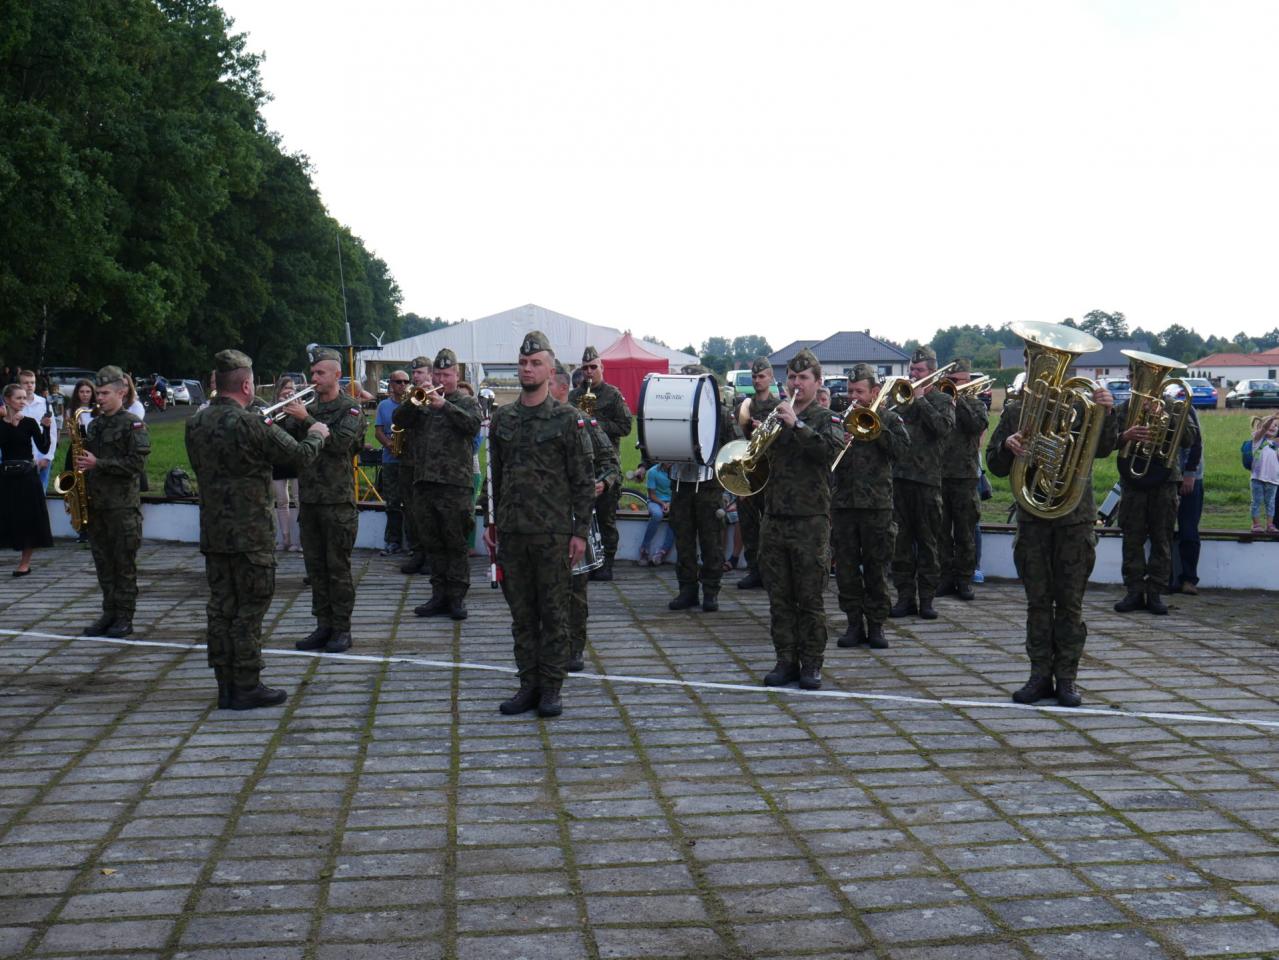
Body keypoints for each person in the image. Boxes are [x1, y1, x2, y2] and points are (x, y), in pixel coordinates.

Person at [186, 349, 329, 709]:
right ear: (248, 385)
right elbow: (299, 456)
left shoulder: (196, 423)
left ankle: (225, 684)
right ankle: (247, 684)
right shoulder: (251, 423)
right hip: (250, 533)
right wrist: (316, 432)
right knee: (250, 609)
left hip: (214, 532)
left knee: (221, 608)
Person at [986, 369, 1118, 707]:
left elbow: (1105, 448)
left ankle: (1067, 678)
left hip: (1074, 518)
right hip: (1033, 518)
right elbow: (995, 465)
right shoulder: (1016, 410)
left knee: (1071, 604)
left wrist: (1107, 411)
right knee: (1038, 603)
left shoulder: (1084, 406)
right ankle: (1039, 675)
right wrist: (1008, 446)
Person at [486, 330, 594, 718]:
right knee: (522, 616)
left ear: (551, 370)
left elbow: (583, 481)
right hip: (513, 533)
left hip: (552, 535)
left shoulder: (567, 419)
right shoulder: (503, 419)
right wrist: (490, 522)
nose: (527, 369)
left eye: (535, 363)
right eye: (523, 363)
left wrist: (579, 532)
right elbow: (495, 476)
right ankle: (527, 685)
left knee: (554, 614)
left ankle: (551, 688)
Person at [758, 348, 843, 689]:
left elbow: (829, 453)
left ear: (817, 382)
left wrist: (797, 425)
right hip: (775, 516)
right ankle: (785, 660)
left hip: (810, 520)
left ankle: (811, 662)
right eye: (792, 377)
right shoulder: (776, 417)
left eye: (803, 378)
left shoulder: (827, 418)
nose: (796, 383)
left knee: (809, 597)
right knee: (779, 597)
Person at [281, 348, 367, 653]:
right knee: (315, 569)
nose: (314, 378)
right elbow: (288, 442)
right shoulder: (308, 406)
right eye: (313, 373)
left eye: (320, 373)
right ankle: (323, 625)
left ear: (336, 375)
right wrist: (287, 414)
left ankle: (342, 628)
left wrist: (305, 418)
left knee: (337, 569)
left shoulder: (351, 408)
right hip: (310, 500)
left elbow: (340, 443)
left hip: (337, 502)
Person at [393, 348, 482, 620]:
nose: (442, 379)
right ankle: (438, 594)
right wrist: (415, 400)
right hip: (424, 483)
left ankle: (456, 597)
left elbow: (473, 426)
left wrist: (445, 406)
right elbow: (399, 420)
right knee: (433, 542)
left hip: (455, 485)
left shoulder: (466, 401)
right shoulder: (422, 399)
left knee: (455, 543)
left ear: (457, 374)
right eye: (438, 374)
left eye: (447, 374)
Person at [832, 364, 910, 650]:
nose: (853, 397)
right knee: (847, 569)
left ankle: (876, 625)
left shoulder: (890, 418)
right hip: (844, 505)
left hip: (877, 506)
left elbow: (902, 451)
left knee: (877, 568)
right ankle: (853, 623)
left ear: (875, 392)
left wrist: (877, 429)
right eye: (850, 391)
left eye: (859, 391)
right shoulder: (840, 419)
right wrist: (839, 441)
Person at [551, 360, 619, 672]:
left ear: (561, 388)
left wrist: (603, 482)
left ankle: (574, 648)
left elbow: (611, 462)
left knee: (575, 592)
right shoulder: (526, 420)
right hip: (538, 520)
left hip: (574, 518)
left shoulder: (583, 422)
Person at [74, 366, 152, 636]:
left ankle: (125, 617)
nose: (99, 398)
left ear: (122, 392)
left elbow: (136, 464)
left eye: (105, 393)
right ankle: (109, 613)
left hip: (122, 507)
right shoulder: (94, 425)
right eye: (98, 393)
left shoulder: (133, 424)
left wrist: (99, 463)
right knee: (103, 564)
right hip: (97, 505)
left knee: (123, 565)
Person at [1113, 378, 1199, 616]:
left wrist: (1165, 416)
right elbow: (1106, 442)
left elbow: (1189, 439)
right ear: (1132, 380)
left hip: (1165, 480)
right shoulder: (1124, 408)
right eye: (1139, 377)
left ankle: (1155, 592)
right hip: (1133, 480)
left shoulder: (1174, 406)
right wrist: (1126, 435)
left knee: (1162, 537)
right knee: (1132, 538)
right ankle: (1134, 591)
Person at [890, 346, 956, 620]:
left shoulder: (943, 399)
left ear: (932, 373)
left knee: (928, 543)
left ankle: (927, 599)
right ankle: (904, 598)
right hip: (900, 478)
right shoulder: (901, 398)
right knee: (901, 544)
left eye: (918, 370)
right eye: (912, 370)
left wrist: (920, 400)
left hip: (927, 481)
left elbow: (942, 429)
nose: (913, 374)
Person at [667, 364, 733, 613]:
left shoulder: (720, 413)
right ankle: (687, 590)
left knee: (711, 541)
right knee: (683, 541)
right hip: (681, 484)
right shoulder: (673, 412)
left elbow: (731, 447)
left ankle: (711, 591)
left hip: (709, 486)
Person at [569, 345, 632, 581]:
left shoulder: (612, 394)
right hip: (581, 465)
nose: (589, 371)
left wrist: (595, 424)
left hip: (606, 467)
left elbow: (626, 426)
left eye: (593, 367)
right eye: (585, 367)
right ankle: (586, 560)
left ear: (601, 368)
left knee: (606, 518)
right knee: (582, 517)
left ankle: (607, 563)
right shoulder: (574, 396)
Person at [936, 359, 988, 601]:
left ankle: (964, 579)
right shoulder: (939, 403)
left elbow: (975, 426)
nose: (953, 384)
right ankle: (945, 577)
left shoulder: (976, 404)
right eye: (950, 380)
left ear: (968, 381)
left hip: (965, 476)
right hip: (940, 474)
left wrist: (959, 400)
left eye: (958, 380)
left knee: (965, 532)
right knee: (942, 532)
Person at [0, 382, 53, 575]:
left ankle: (25, 563)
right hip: (7, 476)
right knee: (7, 515)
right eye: (18, 398)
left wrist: (45, 428)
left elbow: (43, 447)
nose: (22, 401)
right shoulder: (1, 423)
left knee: (28, 517)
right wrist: (10, 425)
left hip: (27, 476)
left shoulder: (29, 422)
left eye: (24, 398)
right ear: (7, 400)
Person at [735, 357, 780, 590]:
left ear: (770, 378)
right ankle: (755, 570)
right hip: (750, 474)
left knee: (771, 526)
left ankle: (772, 572)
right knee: (749, 525)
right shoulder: (744, 407)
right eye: (754, 376)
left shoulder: (779, 407)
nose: (757, 380)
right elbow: (736, 443)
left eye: (761, 376)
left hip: (771, 474)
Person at [397, 357, 433, 575]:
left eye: (420, 372)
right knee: (410, 510)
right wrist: (413, 401)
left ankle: (431, 555)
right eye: (414, 372)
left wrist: (429, 397)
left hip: (429, 463)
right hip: (409, 461)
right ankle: (417, 552)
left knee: (428, 511)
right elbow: (399, 419)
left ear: (430, 374)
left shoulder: (438, 395)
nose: (415, 376)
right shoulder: (410, 395)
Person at [375, 369, 411, 556]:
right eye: (398, 381)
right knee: (392, 503)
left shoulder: (413, 404)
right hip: (391, 460)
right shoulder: (383, 405)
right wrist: (389, 444)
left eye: (406, 381)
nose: (402, 385)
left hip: (410, 460)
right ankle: (392, 541)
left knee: (412, 503)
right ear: (391, 384)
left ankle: (413, 544)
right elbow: (378, 431)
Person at [1170, 401, 1204, 594]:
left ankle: (1189, 579)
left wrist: (1190, 473)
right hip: (1164, 477)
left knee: (1189, 529)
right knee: (1161, 530)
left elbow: (1195, 442)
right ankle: (1165, 578)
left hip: (1188, 475)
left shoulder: (1181, 407)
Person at [271, 376, 303, 552]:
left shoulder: (299, 408)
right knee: (282, 501)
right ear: (279, 391)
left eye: (292, 388)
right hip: (278, 459)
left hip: (296, 458)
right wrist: (278, 410)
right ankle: (285, 539)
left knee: (299, 500)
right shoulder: (273, 409)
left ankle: (301, 541)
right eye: (286, 388)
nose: (290, 391)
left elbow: (300, 431)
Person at [17, 370, 57, 491]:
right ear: (19, 385)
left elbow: (52, 432)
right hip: (21, 457)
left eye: (32, 382)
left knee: (40, 493)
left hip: (42, 456)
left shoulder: (44, 404)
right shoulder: (15, 405)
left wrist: (47, 457)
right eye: (26, 383)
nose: (30, 385)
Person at [640, 462, 675, 564]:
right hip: (655, 501)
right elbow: (652, 495)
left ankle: (663, 551)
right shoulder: (653, 472)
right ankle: (644, 548)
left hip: (673, 501)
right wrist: (663, 504)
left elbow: (678, 493)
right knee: (657, 515)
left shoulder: (678, 472)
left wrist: (670, 504)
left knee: (676, 517)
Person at [1251, 415, 1279, 534]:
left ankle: (1270, 525)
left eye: (1276, 425)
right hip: (1258, 478)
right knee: (1256, 502)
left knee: (1271, 503)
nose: (1273, 427)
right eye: (1271, 424)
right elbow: (1264, 428)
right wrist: (1271, 418)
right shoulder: (1257, 440)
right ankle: (1256, 525)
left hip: (1273, 480)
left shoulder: (1275, 444)